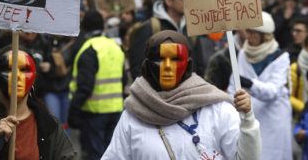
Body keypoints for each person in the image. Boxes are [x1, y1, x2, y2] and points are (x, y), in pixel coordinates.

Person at [101, 30, 261, 159]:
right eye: (160, 59)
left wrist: (247, 119)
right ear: (147, 65)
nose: (168, 67)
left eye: (176, 59)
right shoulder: (134, 115)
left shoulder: (215, 108)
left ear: (188, 64)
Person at [228, 12, 292, 160]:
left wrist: (250, 84)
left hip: (273, 118)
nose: (247, 35)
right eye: (247, 31)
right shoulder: (243, 53)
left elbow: (273, 91)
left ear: (265, 35)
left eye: (252, 32)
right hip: (249, 115)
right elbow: (234, 85)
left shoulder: (281, 57)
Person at [69, 10, 125, 160]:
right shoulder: (115, 46)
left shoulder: (88, 49)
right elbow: (124, 79)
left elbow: (85, 86)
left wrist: (73, 111)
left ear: (84, 27)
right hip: (116, 110)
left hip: (94, 112)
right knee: (113, 154)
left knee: (96, 155)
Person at [127, 0, 186, 79]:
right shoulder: (150, 27)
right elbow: (138, 67)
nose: (186, 2)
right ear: (168, 1)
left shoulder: (186, 29)